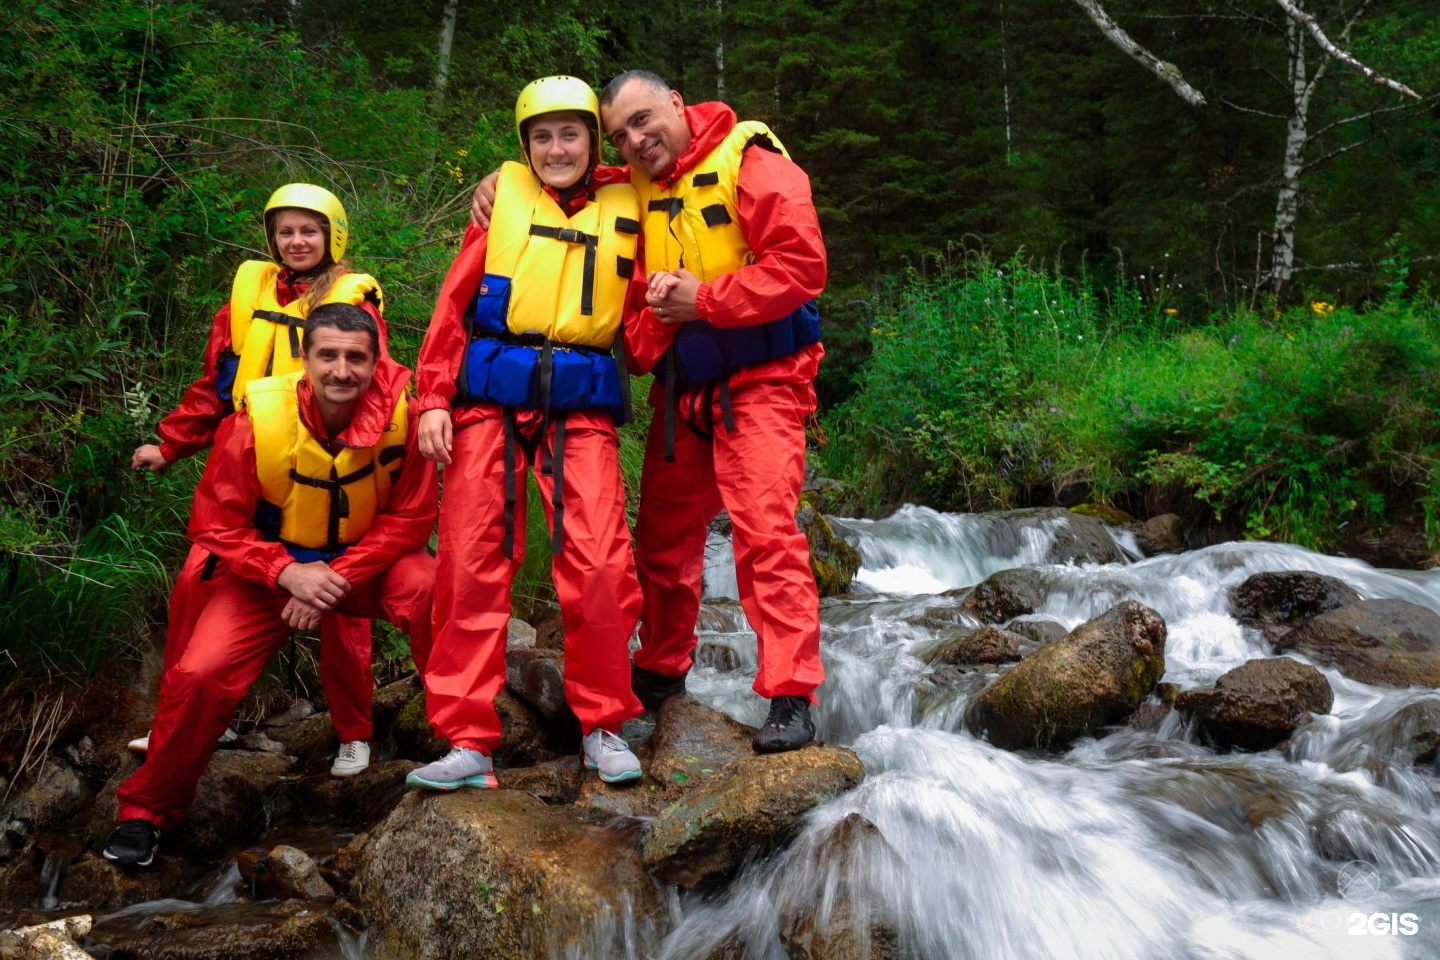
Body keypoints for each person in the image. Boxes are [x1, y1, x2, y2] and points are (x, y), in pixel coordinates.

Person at [474, 70, 827, 752]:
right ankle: (664, 668)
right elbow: (557, 172)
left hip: (763, 381)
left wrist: (707, 302)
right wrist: (497, 182)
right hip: (680, 393)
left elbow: (803, 265)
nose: (637, 139)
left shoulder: (753, 162)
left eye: (644, 119)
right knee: (662, 543)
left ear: (675, 103)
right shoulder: (625, 187)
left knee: (765, 534)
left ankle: (790, 693)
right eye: (622, 133)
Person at [103, 304, 438, 867]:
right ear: (304, 358)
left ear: (376, 362)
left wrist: (331, 578)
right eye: (327, 355)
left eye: (356, 358)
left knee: (434, 590)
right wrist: (288, 574)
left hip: (361, 565)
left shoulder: (405, 413)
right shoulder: (255, 417)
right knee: (201, 671)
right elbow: (214, 524)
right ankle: (148, 812)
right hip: (266, 570)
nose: (341, 371)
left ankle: (466, 746)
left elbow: (411, 519)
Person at [406, 75, 645, 791]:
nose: (556, 148)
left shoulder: (626, 200)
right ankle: (467, 740)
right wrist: (433, 400)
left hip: (582, 405)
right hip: (490, 404)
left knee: (600, 563)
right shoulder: (498, 205)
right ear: (524, 147)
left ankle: (603, 725)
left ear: (595, 142)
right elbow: (452, 309)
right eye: (541, 137)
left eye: (571, 133)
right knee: (470, 564)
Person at [128, 184, 386, 777]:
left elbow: (370, 380)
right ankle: (179, 721)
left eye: (309, 231)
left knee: (338, 599)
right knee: (197, 581)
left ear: (333, 237)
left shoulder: (352, 301)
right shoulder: (248, 298)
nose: (296, 242)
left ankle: (354, 732)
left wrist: (354, 454)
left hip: (327, 458)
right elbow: (218, 384)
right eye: (286, 232)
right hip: (248, 459)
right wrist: (172, 443)